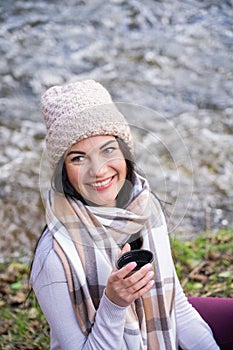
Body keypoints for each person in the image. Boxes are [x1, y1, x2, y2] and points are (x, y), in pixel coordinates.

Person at [30, 80, 220, 350]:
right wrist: (114, 303)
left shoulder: (145, 209)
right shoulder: (53, 257)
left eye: (108, 149)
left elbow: (176, 308)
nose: (98, 171)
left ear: (124, 151)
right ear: (63, 170)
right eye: (78, 158)